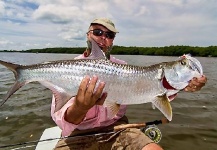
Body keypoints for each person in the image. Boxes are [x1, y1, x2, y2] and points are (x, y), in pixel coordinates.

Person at [51, 18, 207, 150]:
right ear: (88, 35)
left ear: (113, 40)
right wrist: (80, 107)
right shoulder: (68, 68)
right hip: (77, 133)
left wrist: (187, 84)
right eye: (97, 32)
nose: (102, 38)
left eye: (109, 35)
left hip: (118, 129)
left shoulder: (124, 66)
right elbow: (62, 121)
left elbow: (155, 91)